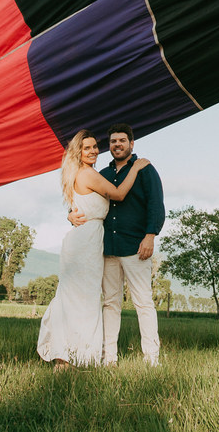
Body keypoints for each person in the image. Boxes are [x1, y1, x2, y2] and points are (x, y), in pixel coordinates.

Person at [37, 129, 149, 369]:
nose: (94, 151)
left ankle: (72, 354)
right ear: (78, 152)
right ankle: (68, 356)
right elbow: (118, 194)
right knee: (80, 299)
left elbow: (82, 206)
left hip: (86, 239)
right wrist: (136, 168)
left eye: (95, 146)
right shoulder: (87, 174)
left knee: (79, 298)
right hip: (85, 243)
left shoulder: (83, 174)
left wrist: (71, 215)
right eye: (87, 148)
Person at [69, 123, 165, 366]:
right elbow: (84, 201)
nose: (117, 145)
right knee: (110, 303)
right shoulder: (102, 174)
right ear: (109, 146)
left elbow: (156, 204)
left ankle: (152, 358)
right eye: (113, 141)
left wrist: (150, 235)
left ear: (131, 144)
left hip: (136, 246)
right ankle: (108, 357)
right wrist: (69, 214)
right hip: (108, 248)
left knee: (143, 301)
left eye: (122, 141)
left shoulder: (145, 170)